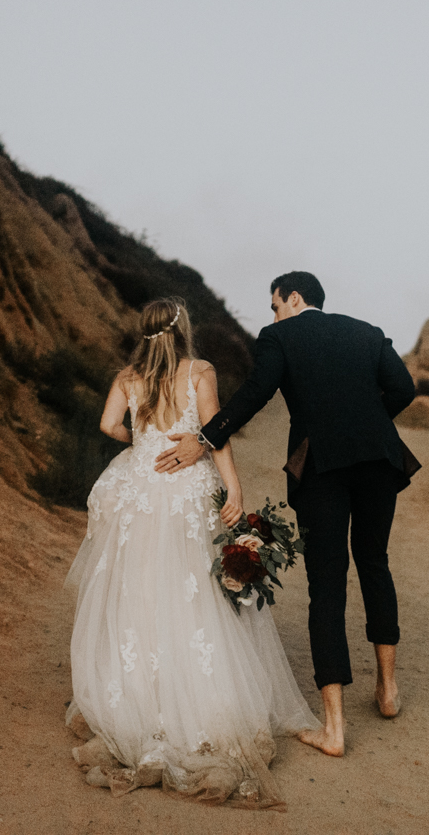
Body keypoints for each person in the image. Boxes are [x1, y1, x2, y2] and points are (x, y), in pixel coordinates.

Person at [65, 297, 319, 808]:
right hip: (184, 489)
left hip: (140, 487)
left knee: (138, 589)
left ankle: (138, 702)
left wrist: (140, 440)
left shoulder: (128, 377)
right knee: (194, 591)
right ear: (184, 331)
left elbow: (107, 425)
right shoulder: (199, 372)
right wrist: (235, 492)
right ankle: (197, 706)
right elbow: (216, 435)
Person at [153, 271, 417, 757]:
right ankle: (388, 692)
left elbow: (255, 394)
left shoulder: (280, 336)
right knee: (375, 563)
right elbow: (403, 389)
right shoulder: (367, 332)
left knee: (328, 582)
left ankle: (333, 731)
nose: (272, 315)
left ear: (294, 299)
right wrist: (365, 420)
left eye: (274, 305)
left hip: (324, 469)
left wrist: (206, 438)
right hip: (381, 461)